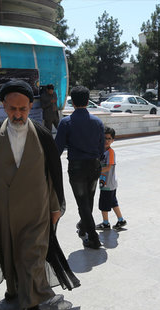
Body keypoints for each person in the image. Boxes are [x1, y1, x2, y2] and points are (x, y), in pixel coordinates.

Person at [0, 79, 71, 310]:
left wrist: (55, 207)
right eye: (13, 109)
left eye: (23, 109)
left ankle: (32, 307)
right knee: (9, 255)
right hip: (3, 214)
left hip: (36, 212)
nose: (18, 114)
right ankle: (14, 290)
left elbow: (52, 176)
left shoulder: (43, 136)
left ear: (30, 106)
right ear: (3, 106)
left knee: (31, 257)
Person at [55, 85, 104, 249]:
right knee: (88, 198)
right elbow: (101, 147)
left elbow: (57, 149)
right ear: (88, 101)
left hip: (77, 167)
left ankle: (94, 238)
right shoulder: (97, 122)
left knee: (82, 202)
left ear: (73, 102)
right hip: (95, 165)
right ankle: (84, 226)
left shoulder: (66, 122)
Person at [95, 127, 127, 230]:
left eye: (109, 138)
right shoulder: (103, 151)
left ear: (113, 140)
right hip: (109, 183)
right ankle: (121, 220)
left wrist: (96, 172)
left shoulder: (111, 152)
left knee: (103, 204)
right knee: (113, 202)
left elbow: (108, 167)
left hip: (108, 184)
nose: (106, 141)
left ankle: (105, 223)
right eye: (104, 138)